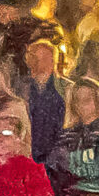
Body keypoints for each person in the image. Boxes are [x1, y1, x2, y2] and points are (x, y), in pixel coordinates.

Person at [19, 36, 68, 166]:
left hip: (58, 156)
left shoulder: (66, 88)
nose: (41, 63)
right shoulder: (21, 88)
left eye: (46, 58)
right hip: (30, 154)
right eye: (36, 58)